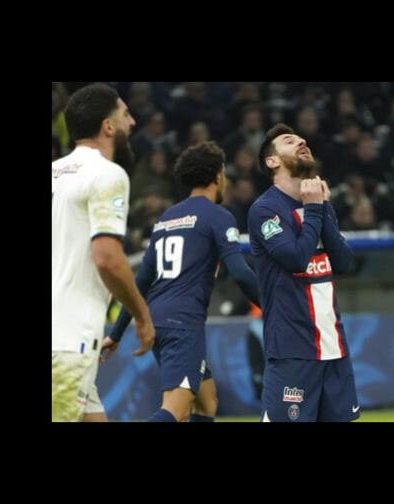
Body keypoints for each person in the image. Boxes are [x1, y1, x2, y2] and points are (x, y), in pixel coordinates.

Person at [107, 141, 261, 422]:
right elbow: (239, 272)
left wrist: (116, 333)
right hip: (183, 324)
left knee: (207, 401)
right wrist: (274, 305)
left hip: (158, 321)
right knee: (175, 411)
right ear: (217, 176)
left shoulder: (167, 217)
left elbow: (141, 281)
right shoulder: (219, 216)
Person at [52, 83, 155, 422]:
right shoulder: (107, 174)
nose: (133, 122)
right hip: (67, 341)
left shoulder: (54, 174)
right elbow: (107, 258)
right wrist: (141, 315)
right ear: (108, 126)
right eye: (125, 114)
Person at [249, 123, 358, 422]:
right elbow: (295, 258)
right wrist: (313, 210)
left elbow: (345, 263)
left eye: (302, 139)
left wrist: (320, 209)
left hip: (334, 348)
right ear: (272, 161)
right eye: (289, 141)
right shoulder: (264, 210)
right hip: (292, 351)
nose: (302, 141)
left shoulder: (319, 206)